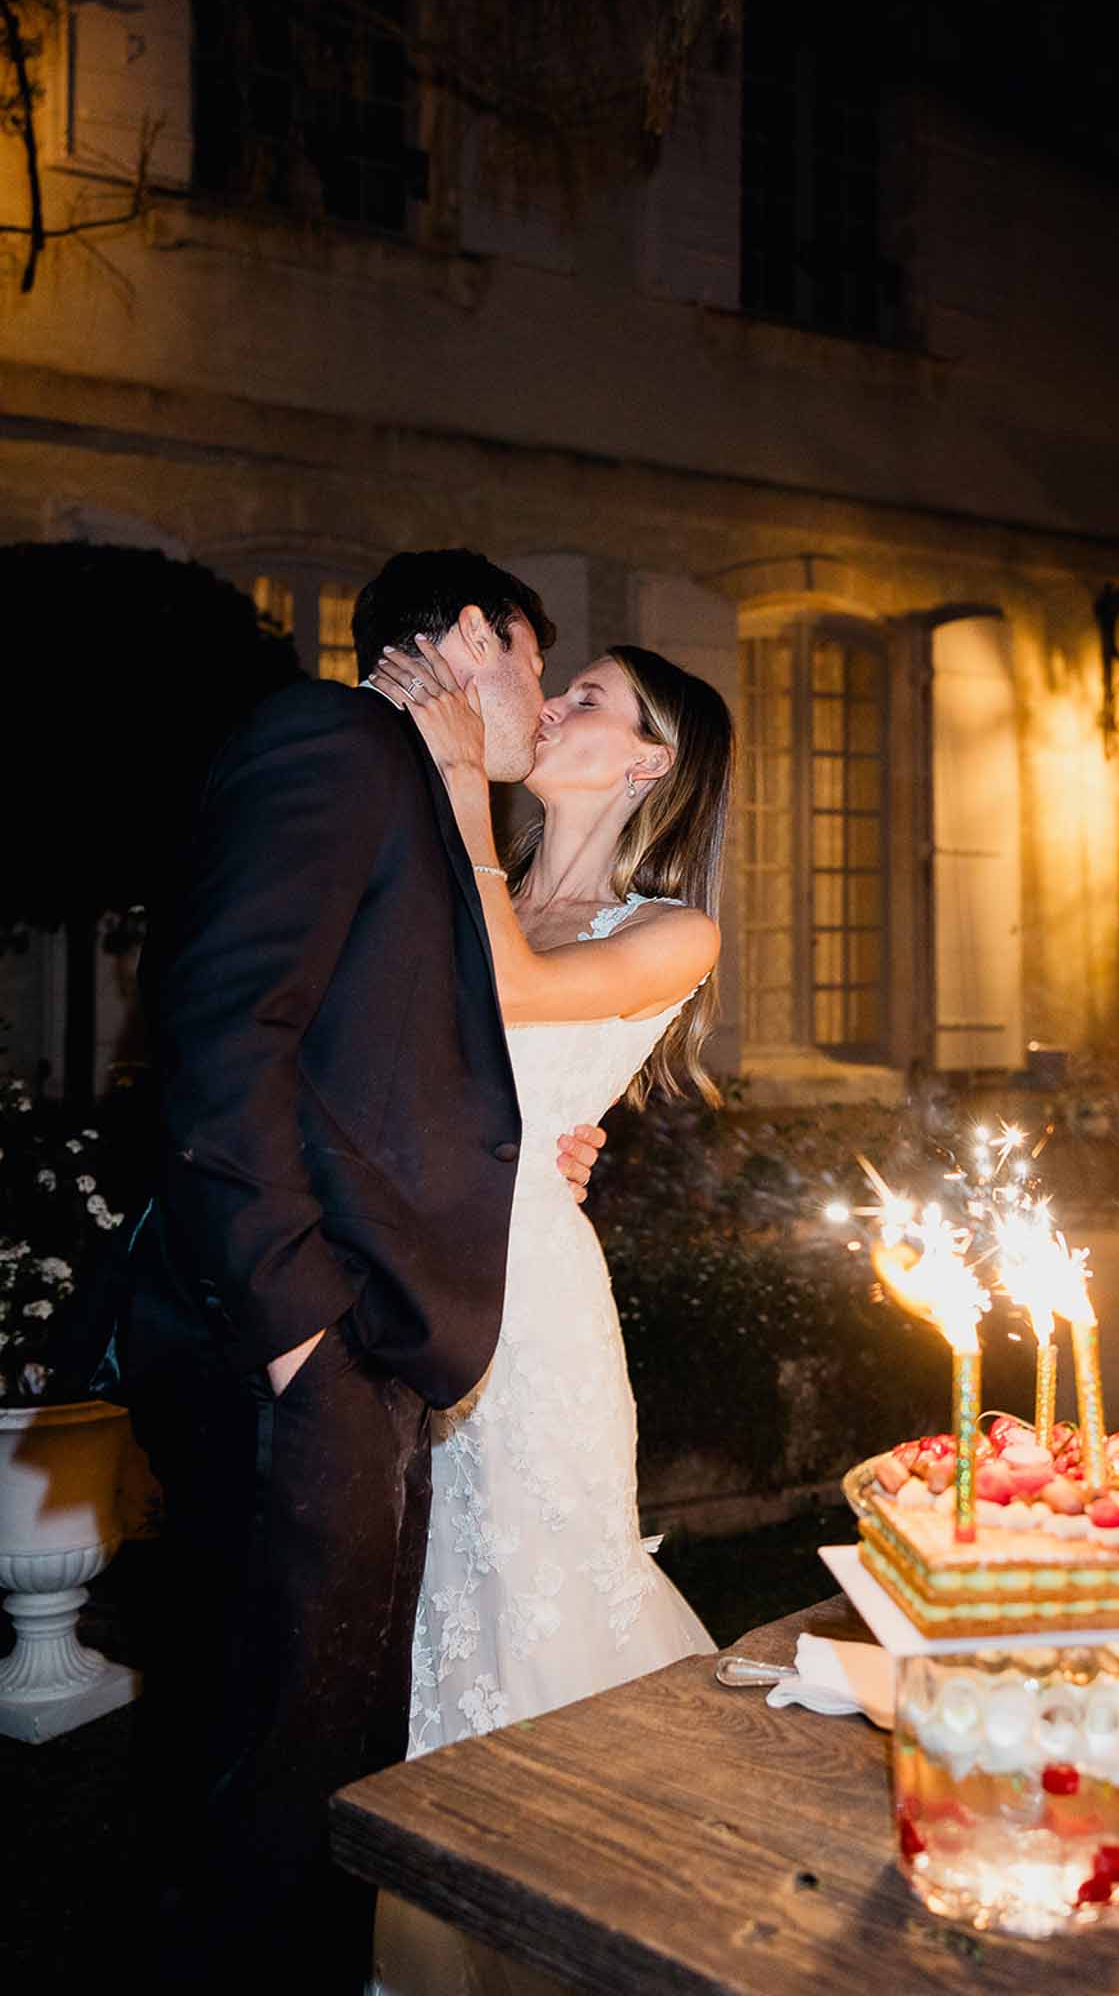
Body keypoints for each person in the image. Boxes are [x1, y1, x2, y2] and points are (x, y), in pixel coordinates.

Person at [120, 551, 605, 1996]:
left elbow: (388, 1062)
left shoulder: (404, 779)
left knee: (315, 1759)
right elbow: (221, 1035)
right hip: (293, 1347)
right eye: (534, 661)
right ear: (469, 636)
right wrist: (296, 1337)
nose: (535, 701)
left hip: (362, 1342)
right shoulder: (331, 742)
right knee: (283, 1783)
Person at [364, 629, 733, 1993]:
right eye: (559, 685)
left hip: (538, 1309)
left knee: (539, 1581)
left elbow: (510, 994)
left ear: (648, 761)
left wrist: (462, 785)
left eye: (589, 698)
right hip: (421, 1276)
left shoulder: (671, 928)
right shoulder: (492, 884)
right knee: (439, 1603)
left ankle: (586, 1916)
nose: (554, 703)